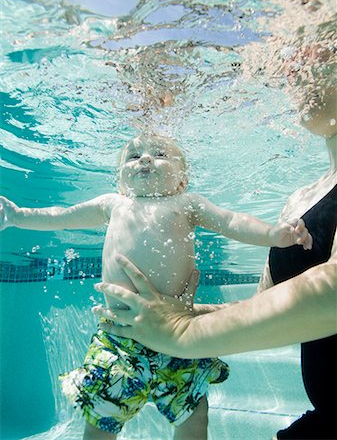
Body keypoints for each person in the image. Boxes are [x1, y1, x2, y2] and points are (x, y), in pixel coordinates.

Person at [92, 27, 337, 440]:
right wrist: (176, 314)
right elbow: (266, 308)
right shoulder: (301, 199)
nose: (294, 63)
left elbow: (332, 293)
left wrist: (181, 332)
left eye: (321, 42)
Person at [0, 135, 312, 440]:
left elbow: (231, 221)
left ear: (181, 180)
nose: (146, 158)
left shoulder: (188, 203)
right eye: (134, 157)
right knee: (101, 418)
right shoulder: (113, 204)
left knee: (194, 414)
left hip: (178, 335)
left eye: (160, 154)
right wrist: (18, 216)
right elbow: (64, 218)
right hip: (119, 339)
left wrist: (272, 234)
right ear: (121, 180)